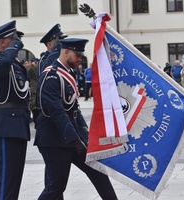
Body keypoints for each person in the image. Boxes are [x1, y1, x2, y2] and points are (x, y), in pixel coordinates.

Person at [34, 38, 118, 200]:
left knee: (97, 171)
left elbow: (74, 109)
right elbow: (57, 112)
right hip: (54, 140)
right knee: (56, 187)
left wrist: (85, 135)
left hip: (71, 136)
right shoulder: (51, 76)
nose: (80, 58)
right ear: (66, 52)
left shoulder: (68, 73)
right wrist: (75, 140)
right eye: (77, 55)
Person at [0, 20, 31, 200]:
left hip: (18, 125)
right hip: (4, 125)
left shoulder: (13, 63)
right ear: (2, 42)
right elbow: (1, 66)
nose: (16, 41)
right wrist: (14, 47)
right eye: (12, 38)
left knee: (14, 178)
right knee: (6, 179)